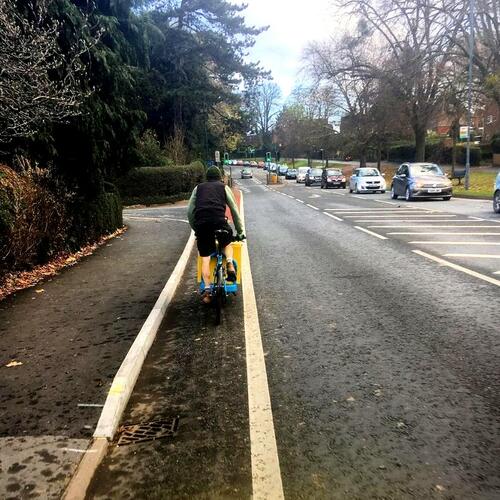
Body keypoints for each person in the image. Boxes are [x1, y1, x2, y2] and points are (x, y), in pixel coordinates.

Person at [187, 166, 245, 303]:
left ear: (207, 177)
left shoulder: (198, 188)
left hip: (203, 225)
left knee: (205, 258)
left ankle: (207, 292)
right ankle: (230, 264)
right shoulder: (224, 187)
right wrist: (240, 231)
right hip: (220, 222)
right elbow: (234, 210)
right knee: (227, 242)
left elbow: (190, 212)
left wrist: (196, 229)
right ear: (220, 177)